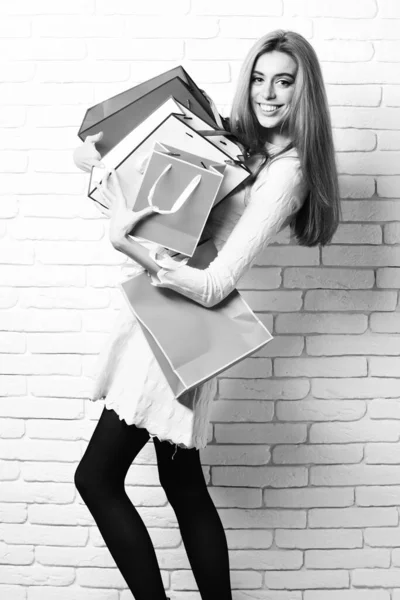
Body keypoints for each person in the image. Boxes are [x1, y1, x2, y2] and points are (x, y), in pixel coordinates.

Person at [73, 30, 340, 600]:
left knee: (95, 479)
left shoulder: (287, 173)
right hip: (163, 317)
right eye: (259, 77)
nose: (268, 93)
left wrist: (131, 247)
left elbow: (217, 282)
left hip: (179, 327)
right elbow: (99, 155)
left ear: (305, 91)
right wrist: (99, 150)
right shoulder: (236, 138)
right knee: (181, 480)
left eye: (284, 82)